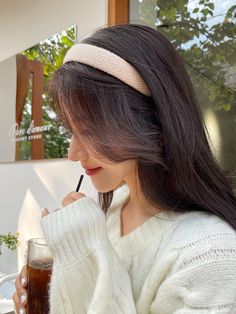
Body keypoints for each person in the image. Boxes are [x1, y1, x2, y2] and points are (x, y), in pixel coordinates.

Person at [13, 24, 236, 314]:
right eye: (72, 131)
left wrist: (83, 248)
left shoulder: (210, 255)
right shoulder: (113, 210)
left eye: (89, 130)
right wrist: (62, 286)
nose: (73, 153)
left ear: (149, 120)